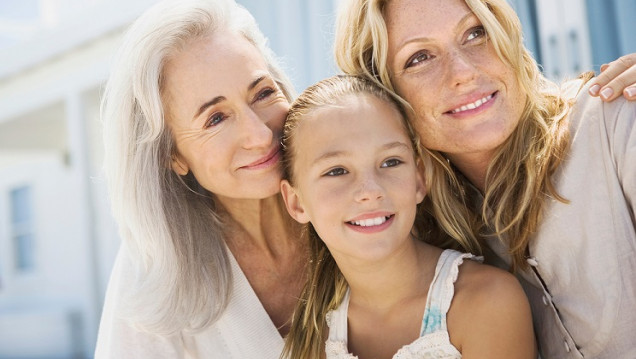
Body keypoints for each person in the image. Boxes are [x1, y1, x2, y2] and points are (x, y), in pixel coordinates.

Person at [333, 0, 636, 358]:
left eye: (475, 33)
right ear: (386, 97)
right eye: (420, 58)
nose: (462, 71)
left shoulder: (617, 120)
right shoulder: (419, 237)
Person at [95, 0, 306, 357]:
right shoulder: (155, 270)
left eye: (264, 93)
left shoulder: (354, 196)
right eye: (216, 119)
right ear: (173, 155)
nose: (259, 135)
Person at [279, 75, 536, 359]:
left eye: (390, 162)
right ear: (296, 202)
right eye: (336, 171)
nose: (370, 191)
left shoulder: (484, 302)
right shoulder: (316, 337)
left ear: (418, 179)